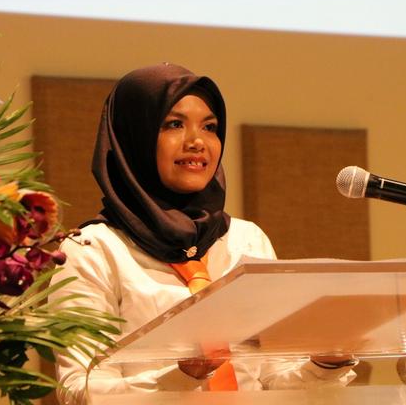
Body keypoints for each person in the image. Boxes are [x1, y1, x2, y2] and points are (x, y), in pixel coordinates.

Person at [52, 63, 355, 404]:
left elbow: (274, 379)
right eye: (174, 124)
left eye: (210, 127)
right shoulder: (93, 249)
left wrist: (326, 363)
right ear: (134, 136)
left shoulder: (246, 240)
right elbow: (78, 389)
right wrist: (181, 377)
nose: (197, 142)